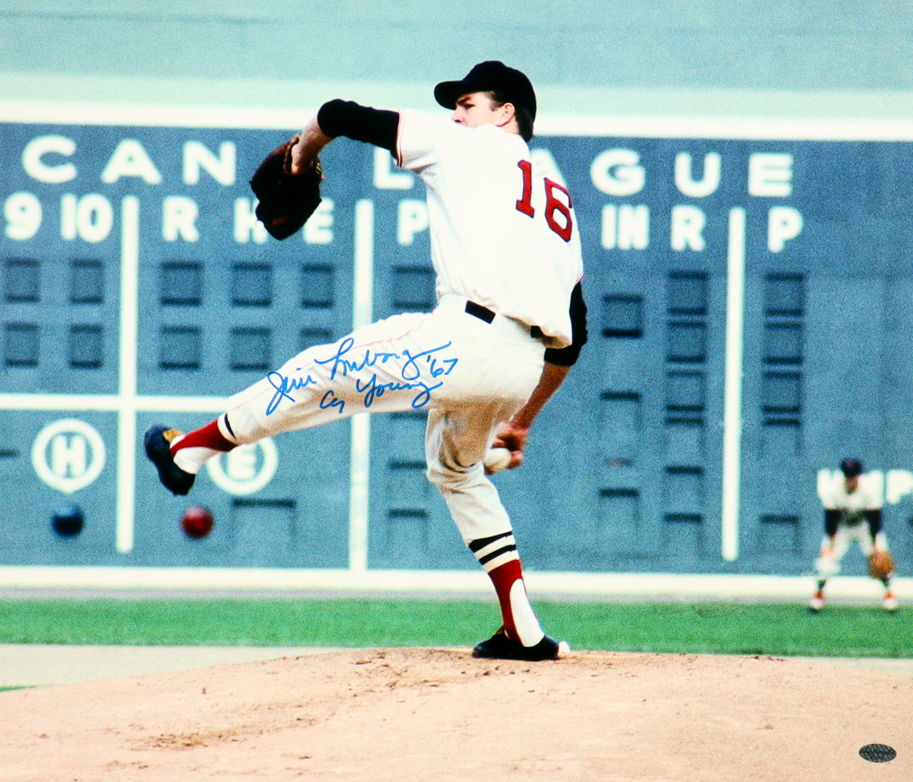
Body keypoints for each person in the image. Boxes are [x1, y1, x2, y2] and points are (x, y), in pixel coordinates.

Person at [144, 61, 588, 660]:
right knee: (457, 471)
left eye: (469, 102)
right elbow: (574, 335)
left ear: (505, 113)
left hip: (463, 340)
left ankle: (187, 451)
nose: (457, 113)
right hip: (520, 366)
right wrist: (523, 419)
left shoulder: (468, 145)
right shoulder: (557, 204)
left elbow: (339, 115)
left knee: (317, 372)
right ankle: (523, 629)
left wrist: (303, 155)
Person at [809, 458, 897, 612]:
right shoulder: (833, 489)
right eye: (848, 476)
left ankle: (889, 595)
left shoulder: (869, 488)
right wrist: (829, 546)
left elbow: (875, 520)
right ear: (843, 476)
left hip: (865, 527)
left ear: (859, 476)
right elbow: (831, 520)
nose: (850, 479)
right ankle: (818, 595)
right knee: (825, 562)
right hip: (842, 527)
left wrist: (875, 546)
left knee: (881, 559)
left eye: (853, 475)